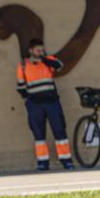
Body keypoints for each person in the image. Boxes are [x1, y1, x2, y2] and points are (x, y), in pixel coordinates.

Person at [16, 38, 73, 171]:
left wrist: (44, 60)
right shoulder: (23, 65)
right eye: (38, 50)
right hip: (35, 104)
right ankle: (43, 163)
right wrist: (29, 98)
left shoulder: (48, 60)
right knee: (38, 134)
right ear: (31, 50)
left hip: (52, 102)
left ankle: (66, 161)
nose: (41, 52)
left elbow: (59, 65)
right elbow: (20, 86)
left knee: (60, 130)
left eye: (42, 50)